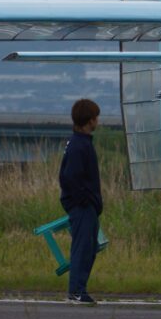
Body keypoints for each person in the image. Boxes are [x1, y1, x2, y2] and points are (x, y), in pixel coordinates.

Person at [58, 97, 104, 304]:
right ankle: (76, 290)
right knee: (82, 248)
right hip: (82, 206)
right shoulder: (79, 145)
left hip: (86, 205)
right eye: (96, 117)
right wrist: (85, 199)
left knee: (88, 247)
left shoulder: (78, 142)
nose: (98, 121)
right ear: (90, 120)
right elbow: (69, 177)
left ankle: (78, 288)